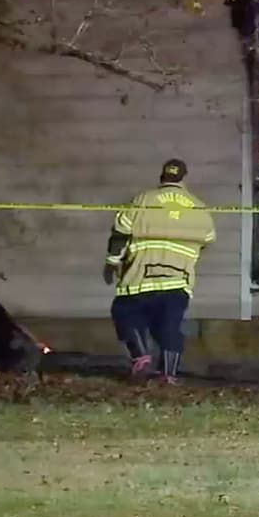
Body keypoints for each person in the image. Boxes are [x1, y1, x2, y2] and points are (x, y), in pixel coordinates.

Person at [103, 159, 216, 384]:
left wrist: (112, 262)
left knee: (125, 312)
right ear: (184, 178)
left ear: (162, 177)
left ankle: (141, 357)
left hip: (139, 278)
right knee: (169, 326)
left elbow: (120, 232)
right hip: (177, 281)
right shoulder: (199, 207)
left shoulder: (143, 200)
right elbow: (207, 239)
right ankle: (168, 374)